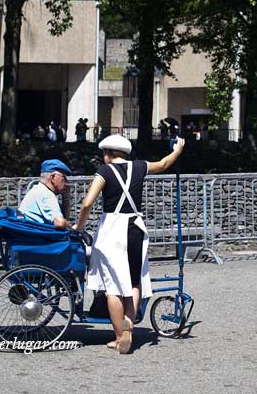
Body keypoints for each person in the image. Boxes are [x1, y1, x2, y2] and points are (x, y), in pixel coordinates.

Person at [73, 134, 185, 354]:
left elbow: (87, 202)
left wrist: (79, 225)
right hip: (134, 226)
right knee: (134, 281)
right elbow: (163, 164)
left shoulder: (105, 171)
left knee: (112, 286)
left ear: (108, 154)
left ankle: (118, 337)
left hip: (112, 230)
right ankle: (129, 325)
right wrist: (178, 150)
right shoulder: (140, 167)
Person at [18, 159, 72, 228]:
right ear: (53, 178)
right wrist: (71, 228)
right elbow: (60, 223)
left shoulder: (38, 190)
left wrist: (66, 197)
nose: (66, 182)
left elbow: (64, 218)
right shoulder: (46, 194)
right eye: (63, 177)